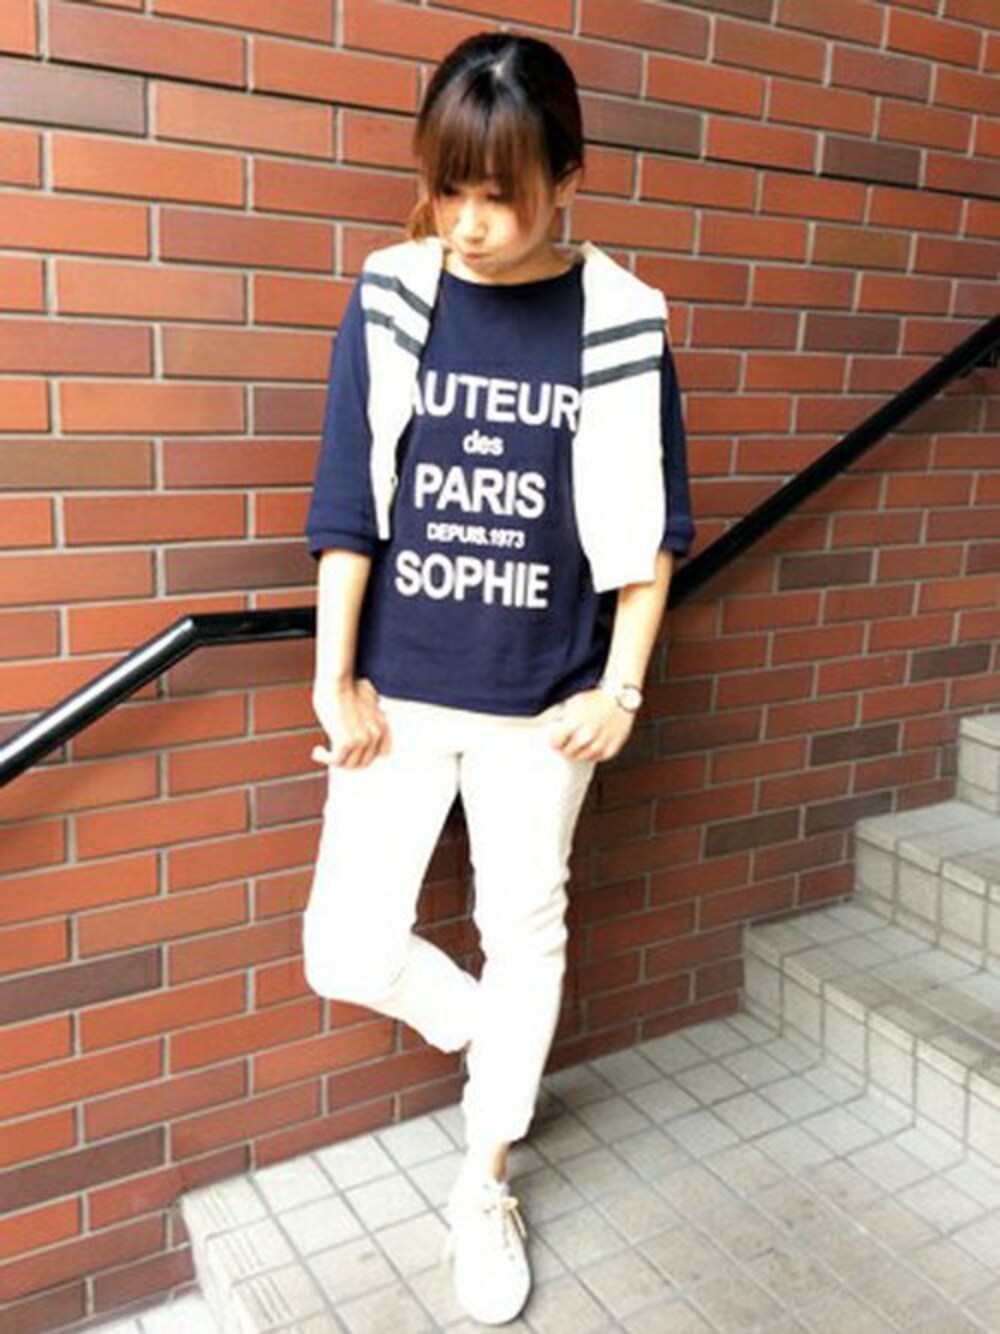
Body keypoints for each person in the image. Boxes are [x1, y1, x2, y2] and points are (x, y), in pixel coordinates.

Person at [302, 31, 695, 1326]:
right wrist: (335, 675)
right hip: (401, 693)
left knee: (529, 926)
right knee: (347, 946)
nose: (468, 224)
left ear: (566, 179)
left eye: (500, 195)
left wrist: (620, 689)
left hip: (546, 705)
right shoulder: (396, 292)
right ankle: (496, 1029)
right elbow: (348, 502)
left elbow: (650, 534)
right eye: (447, 189)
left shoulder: (621, 318)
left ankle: (485, 1182)